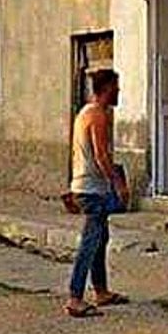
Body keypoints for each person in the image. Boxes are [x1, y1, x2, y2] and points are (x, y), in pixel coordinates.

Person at [64, 69, 130, 318]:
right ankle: (75, 297)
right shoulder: (98, 115)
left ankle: (101, 291)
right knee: (91, 241)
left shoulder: (84, 112)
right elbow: (102, 155)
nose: (119, 91)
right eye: (116, 86)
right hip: (92, 189)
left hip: (85, 185)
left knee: (100, 239)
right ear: (106, 89)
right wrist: (118, 184)